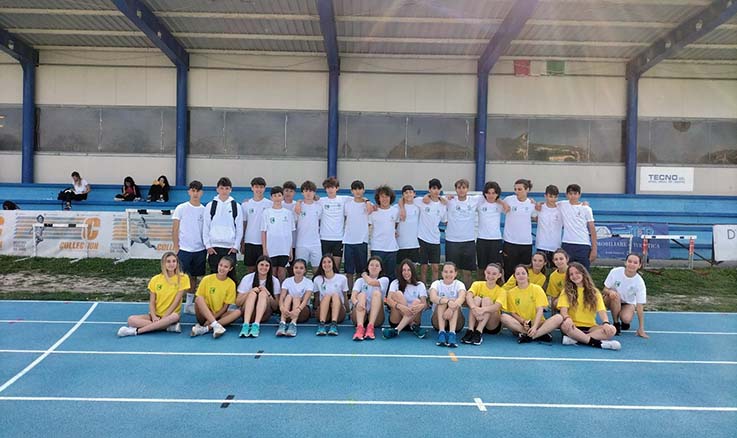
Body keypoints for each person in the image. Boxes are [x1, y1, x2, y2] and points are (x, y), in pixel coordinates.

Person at [117, 252, 189, 337]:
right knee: (131, 320)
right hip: (156, 315)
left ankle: (136, 331)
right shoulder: (155, 279)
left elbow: (176, 301)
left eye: (174, 261)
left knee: (174, 317)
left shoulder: (183, 278)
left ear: (177, 263)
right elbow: (152, 302)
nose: (171, 264)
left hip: (170, 315)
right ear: (163, 264)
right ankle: (166, 327)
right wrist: (154, 316)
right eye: (168, 261)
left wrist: (165, 317)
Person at [558, 262, 621, 350]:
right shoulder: (566, 291)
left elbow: (601, 310)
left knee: (612, 330)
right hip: (573, 326)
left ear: (583, 273)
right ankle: (598, 344)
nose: (574, 276)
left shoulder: (594, 292)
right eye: (571, 274)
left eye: (577, 273)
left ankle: (577, 340)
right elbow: (563, 311)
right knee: (564, 326)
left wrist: (606, 323)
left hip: (591, 327)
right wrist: (567, 318)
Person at [500, 265, 560, 343]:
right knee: (503, 317)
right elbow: (513, 313)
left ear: (528, 276)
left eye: (523, 273)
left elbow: (540, 310)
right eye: (518, 274)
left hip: (538, 323)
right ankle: (536, 334)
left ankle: (531, 336)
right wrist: (523, 321)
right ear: (514, 277)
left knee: (558, 318)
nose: (521, 276)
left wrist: (534, 326)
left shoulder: (537, 289)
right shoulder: (511, 293)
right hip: (522, 324)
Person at [172, 180, 206, 314]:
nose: (195, 193)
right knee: (179, 277)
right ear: (189, 192)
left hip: (199, 249)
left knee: (193, 277)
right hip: (184, 249)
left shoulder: (204, 210)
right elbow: (175, 229)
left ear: (202, 193)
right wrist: (176, 247)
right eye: (193, 190)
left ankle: (188, 304)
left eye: (198, 191)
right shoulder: (181, 208)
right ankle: (174, 304)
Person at [403, 178, 446, 282]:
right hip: (422, 238)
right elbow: (404, 199)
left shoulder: (443, 204)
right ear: (429, 189)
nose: (436, 191)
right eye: (433, 188)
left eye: (438, 189)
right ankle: (422, 287)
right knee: (423, 267)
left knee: (435, 267)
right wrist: (402, 209)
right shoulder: (421, 201)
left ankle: (434, 287)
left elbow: (445, 221)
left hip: (435, 239)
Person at [203, 177, 242, 283]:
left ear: (230, 190)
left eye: (227, 188)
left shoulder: (236, 206)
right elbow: (206, 226)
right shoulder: (210, 206)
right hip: (214, 248)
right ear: (217, 189)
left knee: (231, 277)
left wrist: (235, 246)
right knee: (214, 276)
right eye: (222, 188)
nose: (224, 191)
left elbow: (239, 228)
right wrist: (208, 246)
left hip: (230, 248)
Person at [190, 256, 242, 338]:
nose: (222, 268)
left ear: (230, 269)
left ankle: (207, 328)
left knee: (238, 312)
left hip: (220, 316)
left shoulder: (231, 284)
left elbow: (225, 308)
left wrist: (213, 318)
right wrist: (210, 318)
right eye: (221, 265)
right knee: (199, 298)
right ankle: (216, 325)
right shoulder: (207, 279)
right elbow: (199, 302)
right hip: (205, 315)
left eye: (226, 267)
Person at [460, 263, 506, 346]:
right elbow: (468, 296)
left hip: (491, 325)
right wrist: (474, 308)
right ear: (485, 272)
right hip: (477, 318)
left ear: (499, 275)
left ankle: (479, 332)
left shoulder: (502, 291)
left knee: (486, 300)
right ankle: (470, 330)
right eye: (488, 273)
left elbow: (497, 307)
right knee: (476, 299)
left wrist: (482, 310)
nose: (490, 276)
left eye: (494, 274)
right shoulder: (477, 284)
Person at [603, 253, 648, 337]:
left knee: (626, 319)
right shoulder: (615, 272)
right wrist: (610, 292)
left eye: (635, 263)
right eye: (629, 261)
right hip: (611, 299)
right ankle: (616, 323)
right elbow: (605, 289)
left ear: (639, 265)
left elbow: (640, 306)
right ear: (625, 262)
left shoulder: (639, 282)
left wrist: (641, 328)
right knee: (616, 296)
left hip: (628, 303)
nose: (632, 264)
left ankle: (624, 321)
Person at [443, 178, 478, 287]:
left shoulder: (474, 200)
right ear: (456, 189)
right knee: (452, 271)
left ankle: (467, 293)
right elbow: (431, 198)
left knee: (467, 272)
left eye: (464, 187)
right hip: (452, 241)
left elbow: (493, 196)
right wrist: (444, 198)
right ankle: (452, 292)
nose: (461, 190)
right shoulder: (449, 200)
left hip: (468, 240)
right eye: (459, 188)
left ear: (467, 189)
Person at [236, 255, 281, 338]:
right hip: (247, 313)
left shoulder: (274, 280)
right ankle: (245, 325)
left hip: (264, 315)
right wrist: (250, 292)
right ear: (257, 265)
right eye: (261, 265)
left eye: (266, 265)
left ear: (270, 267)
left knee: (262, 294)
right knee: (252, 294)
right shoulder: (247, 278)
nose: (264, 267)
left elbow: (275, 307)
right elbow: (238, 302)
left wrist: (268, 293)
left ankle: (256, 325)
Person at [382, 259, 428, 339]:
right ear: (400, 271)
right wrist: (401, 307)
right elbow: (388, 300)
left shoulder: (420, 285)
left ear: (412, 271)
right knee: (398, 294)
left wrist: (422, 306)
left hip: (414, 318)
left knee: (417, 301)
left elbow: (425, 304)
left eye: (409, 270)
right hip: (397, 319)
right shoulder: (395, 283)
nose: (406, 272)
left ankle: (396, 330)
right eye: (404, 270)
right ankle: (412, 325)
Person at [501, 178, 535, 280]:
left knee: (524, 271)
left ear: (527, 190)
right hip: (510, 242)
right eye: (515, 189)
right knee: (509, 270)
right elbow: (496, 200)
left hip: (526, 243)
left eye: (520, 189)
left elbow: (535, 217)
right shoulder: (509, 200)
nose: (517, 192)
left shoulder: (531, 203)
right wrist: (502, 203)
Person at [261, 186, 296, 283]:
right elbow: (263, 232)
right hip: (271, 248)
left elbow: (290, 233)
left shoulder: (288, 213)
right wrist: (264, 249)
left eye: (279, 195)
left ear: (282, 197)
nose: (277, 198)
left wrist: (290, 250)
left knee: (281, 271)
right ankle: (272, 290)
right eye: (275, 196)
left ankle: (281, 291)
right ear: (271, 198)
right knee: (272, 271)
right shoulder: (266, 212)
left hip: (284, 248)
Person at [558, 184, 597, 269]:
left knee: (583, 272)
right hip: (567, 244)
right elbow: (550, 203)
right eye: (570, 194)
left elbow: (592, 229)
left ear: (579, 195)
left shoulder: (586, 209)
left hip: (583, 245)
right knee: (567, 272)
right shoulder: (562, 205)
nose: (573, 196)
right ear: (566, 195)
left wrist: (594, 249)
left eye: (575, 194)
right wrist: (538, 204)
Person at [351, 256, 390, 341]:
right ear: (368, 267)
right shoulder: (360, 281)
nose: (374, 267)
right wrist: (357, 304)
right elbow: (353, 296)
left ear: (381, 269)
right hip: (360, 313)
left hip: (377, 318)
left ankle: (370, 327)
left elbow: (371, 282)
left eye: (377, 265)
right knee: (361, 295)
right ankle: (360, 328)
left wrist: (364, 275)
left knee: (376, 293)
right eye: (371, 265)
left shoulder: (384, 280)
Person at [428, 262, 466, 348]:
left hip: (457, 322)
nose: (448, 274)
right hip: (438, 321)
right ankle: (441, 332)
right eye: (446, 272)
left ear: (455, 273)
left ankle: (452, 333)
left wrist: (451, 308)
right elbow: (433, 297)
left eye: (451, 272)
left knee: (455, 302)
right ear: (442, 273)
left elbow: (462, 298)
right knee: (442, 301)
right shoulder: (436, 283)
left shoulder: (459, 284)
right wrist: (448, 301)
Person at [369, 185, 400, 282]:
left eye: (387, 196)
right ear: (378, 198)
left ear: (391, 198)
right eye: (382, 196)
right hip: (377, 248)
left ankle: (390, 292)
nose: (384, 199)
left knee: (391, 275)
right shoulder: (373, 212)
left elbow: (396, 224)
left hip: (391, 248)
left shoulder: (395, 211)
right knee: (377, 275)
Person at [476, 181, 506, 279]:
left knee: (497, 266)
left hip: (495, 239)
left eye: (493, 193)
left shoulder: (499, 205)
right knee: (482, 267)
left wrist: (500, 201)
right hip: (482, 239)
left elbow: (507, 209)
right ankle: (481, 285)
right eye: (488, 193)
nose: (491, 195)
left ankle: (498, 285)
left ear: (497, 194)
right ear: (485, 193)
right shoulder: (480, 203)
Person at [242, 177, 272, 274]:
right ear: (252, 188)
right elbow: (244, 223)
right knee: (251, 269)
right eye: (256, 187)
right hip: (250, 241)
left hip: (264, 242)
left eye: (261, 187)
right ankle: (251, 284)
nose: (259, 189)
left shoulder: (270, 204)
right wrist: (242, 241)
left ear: (264, 188)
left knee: (264, 269)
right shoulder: (246, 204)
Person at [313, 254, 349, 336]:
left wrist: (348, 311)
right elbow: (317, 297)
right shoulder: (317, 279)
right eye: (324, 262)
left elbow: (345, 296)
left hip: (338, 312)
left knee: (335, 295)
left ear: (333, 263)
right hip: (324, 311)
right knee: (327, 296)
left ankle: (334, 324)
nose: (327, 264)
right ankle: (321, 324)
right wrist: (314, 310)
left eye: (329, 262)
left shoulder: (342, 278)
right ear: (321, 265)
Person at [277, 259, 314, 337]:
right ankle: (282, 323)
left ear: (305, 270)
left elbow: (305, 300)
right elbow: (282, 297)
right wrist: (282, 307)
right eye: (296, 267)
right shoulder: (287, 281)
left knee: (297, 298)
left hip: (302, 311)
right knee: (288, 296)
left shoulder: (309, 282)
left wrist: (298, 310)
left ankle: (293, 324)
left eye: (301, 268)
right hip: (288, 312)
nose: (298, 270)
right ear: (293, 269)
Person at [294, 180, 322, 270]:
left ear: (314, 192)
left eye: (311, 191)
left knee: (317, 270)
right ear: (302, 192)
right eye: (306, 191)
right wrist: (298, 202)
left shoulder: (319, 206)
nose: (308, 193)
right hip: (301, 244)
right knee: (300, 269)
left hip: (315, 243)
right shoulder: (298, 207)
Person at [535, 185, 562, 266]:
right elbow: (533, 217)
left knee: (555, 270)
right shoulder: (539, 208)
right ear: (545, 196)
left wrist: (585, 203)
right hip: (541, 245)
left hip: (556, 246)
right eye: (550, 196)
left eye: (555, 197)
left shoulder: (561, 209)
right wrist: (537, 204)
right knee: (540, 269)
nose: (553, 199)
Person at [395, 185, 421, 264]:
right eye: (406, 193)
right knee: (400, 267)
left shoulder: (418, 206)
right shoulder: (397, 208)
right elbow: (393, 222)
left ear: (414, 194)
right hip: (401, 244)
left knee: (413, 267)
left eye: (410, 192)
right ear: (403, 195)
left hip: (414, 244)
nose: (408, 194)